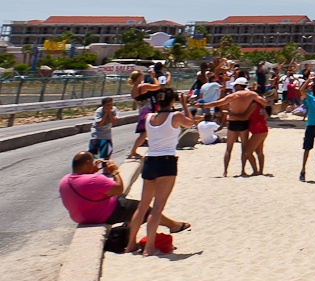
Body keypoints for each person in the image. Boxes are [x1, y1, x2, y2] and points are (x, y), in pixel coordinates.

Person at [126, 89, 194, 255]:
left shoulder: (149, 117)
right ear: (172, 101)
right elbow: (190, 123)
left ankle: (130, 245)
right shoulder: (175, 116)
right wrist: (185, 104)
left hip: (150, 160)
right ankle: (149, 248)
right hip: (166, 162)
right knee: (157, 208)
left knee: (143, 206)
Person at [58, 152, 187, 232]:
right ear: (87, 163)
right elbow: (119, 188)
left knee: (124, 199)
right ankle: (173, 226)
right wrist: (115, 171)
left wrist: (91, 172)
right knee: (143, 208)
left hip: (80, 217)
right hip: (102, 214)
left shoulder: (64, 180)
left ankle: (130, 223)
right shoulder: (94, 179)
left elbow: (85, 185)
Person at [213, 78, 267, 177]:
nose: (233, 87)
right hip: (248, 125)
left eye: (234, 85)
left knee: (229, 149)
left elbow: (218, 103)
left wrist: (203, 105)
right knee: (246, 148)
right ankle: (244, 170)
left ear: (238, 85)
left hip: (234, 122)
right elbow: (264, 104)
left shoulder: (234, 96)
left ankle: (225, 171)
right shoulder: (251, 97)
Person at [245, 92, 270, 176]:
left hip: (258, 130)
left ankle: (255, 171)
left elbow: (245, 116)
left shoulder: (253, 105)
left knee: (247, 152)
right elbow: (265, 116)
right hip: (263, 129)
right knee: (259, 151)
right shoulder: (260, 106)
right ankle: (260, 171)